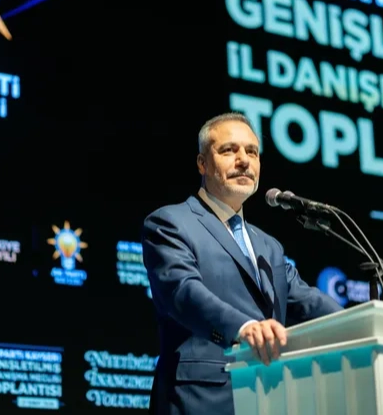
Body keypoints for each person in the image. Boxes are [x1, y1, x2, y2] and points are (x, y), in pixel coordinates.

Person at [141, 112, 343, 415]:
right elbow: (182, 292)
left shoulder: (269, 246)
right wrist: (243, 327)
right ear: (202, 163)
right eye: (229, 150)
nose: (244, 160)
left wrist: (368, 321)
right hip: (200, 399)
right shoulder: (170, 223)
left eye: (252, 152)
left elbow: (308, 302)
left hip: (269, 397)